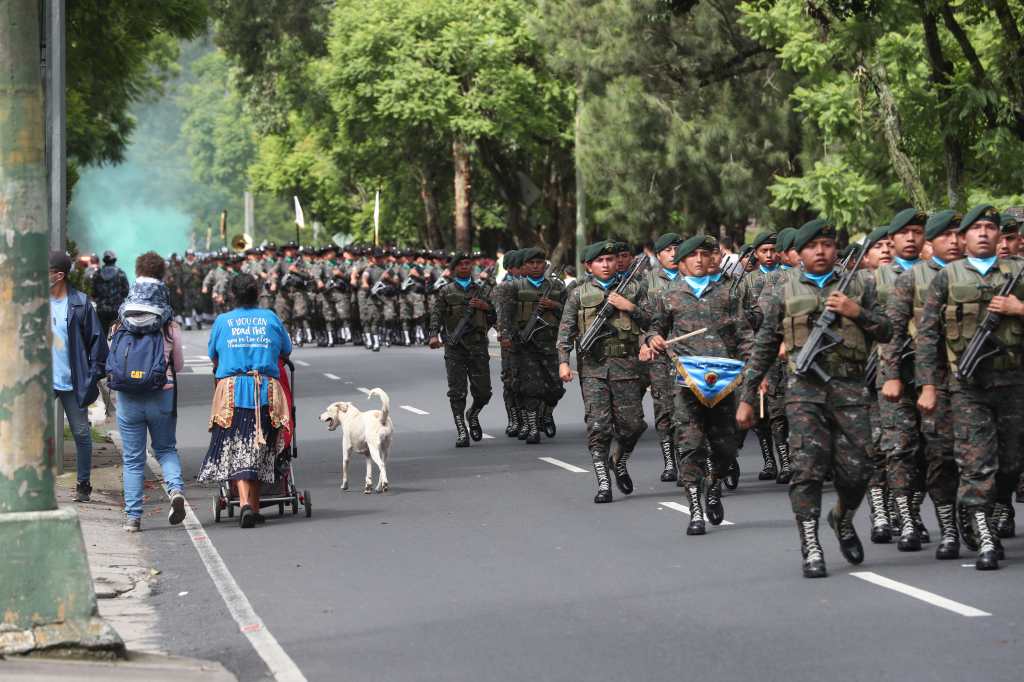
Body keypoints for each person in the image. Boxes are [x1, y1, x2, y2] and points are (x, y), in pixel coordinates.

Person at [737, 218, 892, 578]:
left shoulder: (861, 284)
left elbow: (887, 330)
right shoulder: (783, 289)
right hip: (803, 392)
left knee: (859, 470)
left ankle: (842, 518)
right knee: (807, 468)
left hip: (851, 390)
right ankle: (810, 543)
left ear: (836, 249)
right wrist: (748, 396)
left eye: (827, 245)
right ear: (799, 252)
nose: (820, 252)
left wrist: (857, 313)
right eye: (811, 246)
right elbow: (764, 346)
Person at [916, 205, 1024, 570]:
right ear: (963, 238)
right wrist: (928, 386)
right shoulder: (947, 277)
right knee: (976, 462)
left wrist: (1019, 308)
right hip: (968, 387)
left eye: (990, 227)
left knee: (1011, 463)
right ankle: (984, 534)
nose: (983, 233)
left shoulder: (1018, 271)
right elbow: (928, 336)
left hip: (1013, 383)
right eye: (976, 228)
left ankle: (991, 509)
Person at [647, 234, 753, 534]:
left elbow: (745, 336)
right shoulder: (669, 295)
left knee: (726, 447)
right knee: (690, 445)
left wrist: (754, 373)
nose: (699, 260)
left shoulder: (728, 294)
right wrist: (652, 338)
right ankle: (695, 509)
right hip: (687, 383)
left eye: (705, 255)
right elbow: (655, 327)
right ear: (681, 262)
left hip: (724, 382)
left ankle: (715, 484)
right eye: (692, 255)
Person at [557, 240, 649, 503]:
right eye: (600, 261)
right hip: (593, 370)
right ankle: (604, 482)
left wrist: (629, 307)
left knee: (633, 425)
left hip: (627, 367)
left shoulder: (634, 288)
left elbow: (652, 321)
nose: (607, 264)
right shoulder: (578, 293)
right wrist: (563, 361)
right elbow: (566, 331)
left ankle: (618, 460)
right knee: (599, 427)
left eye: (610, 259)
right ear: (589, 265)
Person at [198, 274, 293, 529]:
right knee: (262, 448)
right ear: (257, 293)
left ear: (232, 295)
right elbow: (286, 350)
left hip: (232, 392)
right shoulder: (270, 318)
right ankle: (250, 505)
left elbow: (213, 355)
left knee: (238, 447)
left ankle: (247, 505)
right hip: (265, 392)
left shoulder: (222, 321)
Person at [114, 252, 187, 531]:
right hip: (162, 393)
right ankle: (175, 489)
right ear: (162, 276)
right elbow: (178, 365)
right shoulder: (169, 325)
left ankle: (133, 518)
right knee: (166, 449)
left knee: (133, 459)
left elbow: (114, 358)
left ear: (137, 273)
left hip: (128, 397)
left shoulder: (121, 320)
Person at [49, 251, 108, 503]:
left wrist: (89, 377)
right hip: (42, 382)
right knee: (32, 433)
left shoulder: (80, 303)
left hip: (72, 383)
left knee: (82, 434)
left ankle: (83, 484)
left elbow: (98, 346)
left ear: (59, 275)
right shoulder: (35, 302)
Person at [498, 247, 567, 444]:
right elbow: (505, 315)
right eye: (531, 263)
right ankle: (532, 427)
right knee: (530, 388)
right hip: (525, 345)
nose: (536, 266)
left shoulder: (557, 287)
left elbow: (569, 313)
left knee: (555, 388)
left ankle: (546, 414)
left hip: (550, 344)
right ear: (524, 266)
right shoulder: (513, 287)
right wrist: (506, 336)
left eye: (539, 263)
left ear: (545, 265)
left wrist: (554, 306)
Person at [429, 252, 496, 447]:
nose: (465, 267)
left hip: (478, 346)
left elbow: (495, 316)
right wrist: (433, 335)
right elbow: (436, 314)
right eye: (461, 264)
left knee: (484, 392)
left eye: (468, 263)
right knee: (457, 392)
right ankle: (461, 430)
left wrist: (485, 307)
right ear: (454, 268)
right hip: (455, 348)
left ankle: (472, 414)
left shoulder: (482, 290)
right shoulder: (446, 291)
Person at [638, 232, 683, 482]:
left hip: (688, 352)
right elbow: (639, 319)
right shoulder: (647, 281)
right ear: (658, 255)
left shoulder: (691, 277)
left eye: (677, 248)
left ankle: (689, 459)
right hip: (660, 354)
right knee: (664, 407)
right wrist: (644, 343)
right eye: (668, 250)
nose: (673, 254)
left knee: (687, 408)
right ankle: (669, 462)